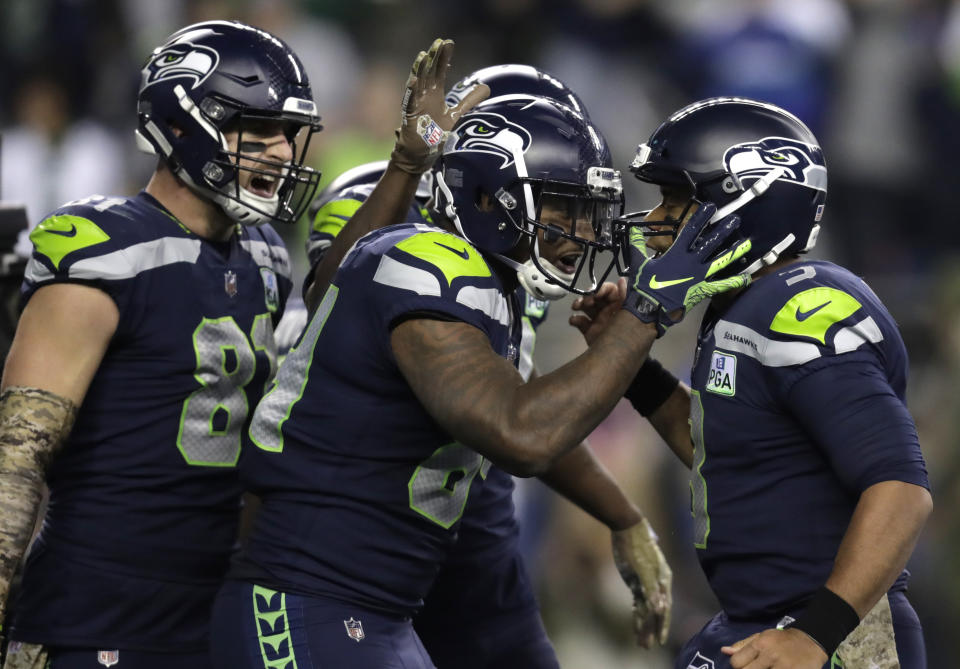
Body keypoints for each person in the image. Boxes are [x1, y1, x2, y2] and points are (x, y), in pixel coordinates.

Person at [209, 94, 751, 669]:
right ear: (489, 197)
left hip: (374, 611)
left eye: (588, 210)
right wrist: (645, 314)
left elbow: (534, 409)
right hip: (306, 597)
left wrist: (622, 509)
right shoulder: (430, 264)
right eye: (561, 207)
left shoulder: (488, 289)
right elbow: (522, 435)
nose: (579, 231)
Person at [0, 21, 472, 669]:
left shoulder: (265, 255)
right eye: (259, 131)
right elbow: (18, 457)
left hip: (216, 610)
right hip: (99, 612)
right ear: (185, 124)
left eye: (286, 133)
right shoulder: (102, 247)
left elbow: (345, 288)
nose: (281, 152)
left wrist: (406, 164)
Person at [578, 96, 932, 669]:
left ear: (744, 202)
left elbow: (901, 490)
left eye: (676, 199)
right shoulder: (743, 304)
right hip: (761, 618)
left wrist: (817, 634)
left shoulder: (806, 307)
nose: (658, 220)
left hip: (838, 632)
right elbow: (727, 452)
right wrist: (635, 373)